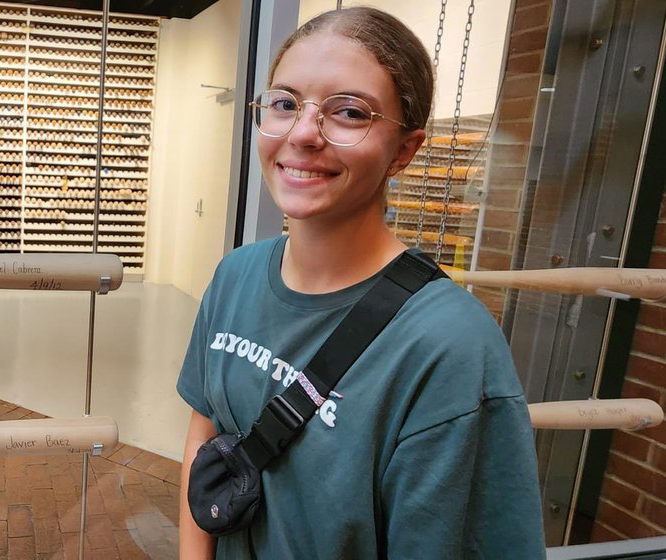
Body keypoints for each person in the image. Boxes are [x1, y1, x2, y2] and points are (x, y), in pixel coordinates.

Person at [176, 7, 545, 559]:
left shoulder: (449, 349)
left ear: (403, 150)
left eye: (348, 113)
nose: (303, 133)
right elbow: (204, 444)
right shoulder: (237, 275)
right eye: (284, 103)